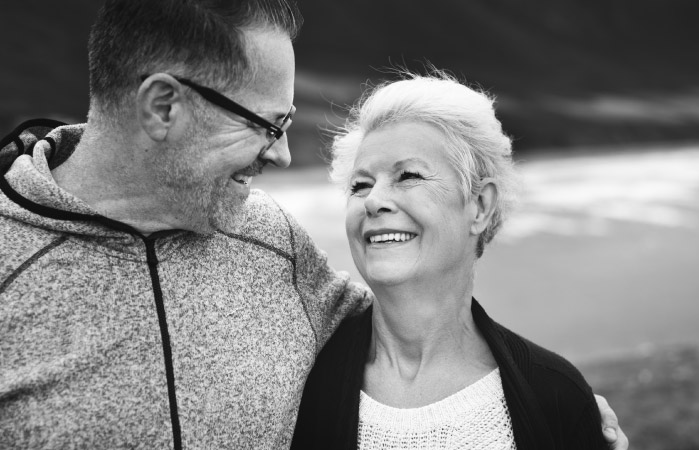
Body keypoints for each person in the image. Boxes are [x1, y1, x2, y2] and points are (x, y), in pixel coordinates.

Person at [0, 1, 626, 449]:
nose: (282, 155)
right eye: (269, 124)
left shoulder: (270, 239)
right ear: (164, 105)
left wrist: (545, 401)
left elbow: (402, 311)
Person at [292, 73, 624, 450]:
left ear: (480, 206)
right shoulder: (301, 378)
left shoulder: (555, 395)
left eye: (408, 176)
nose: (373, 200)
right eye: (360, 184)